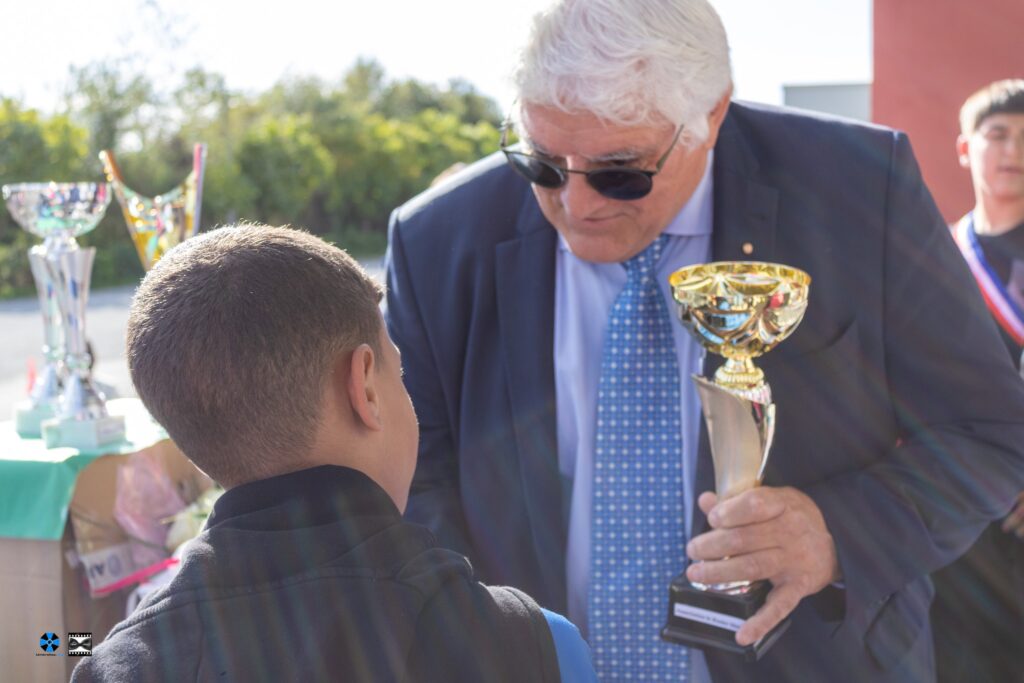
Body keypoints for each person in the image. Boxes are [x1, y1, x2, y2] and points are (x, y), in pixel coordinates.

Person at [383, 1, 1024, 681]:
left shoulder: (858, 190)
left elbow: (991, 430)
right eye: (541, 165)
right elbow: (406, 482)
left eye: (620, 172)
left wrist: (834, 533)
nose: (575, 205)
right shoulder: (438, 241)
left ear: (711, 117)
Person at [71, 225, 597, 682]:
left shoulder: (117, 665)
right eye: (400, 371)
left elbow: (60, 644)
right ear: (364, 385)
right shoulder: (532, 643)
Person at [930, 78, 1024, 683]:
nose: (1013, 151)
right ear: (965, 147)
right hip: (961, 520)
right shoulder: (933, 257)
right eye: (998, 135)